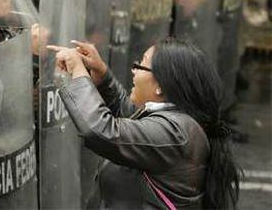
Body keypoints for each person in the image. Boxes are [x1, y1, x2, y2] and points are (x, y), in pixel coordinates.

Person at [47, 38, 241, 209]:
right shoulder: (177, 121)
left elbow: (101, 130)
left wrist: (78, 72)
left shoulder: (175, 134)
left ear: (160, 85)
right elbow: (128, 113)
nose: (134, 71)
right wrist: (102, 74)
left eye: (141, 66)